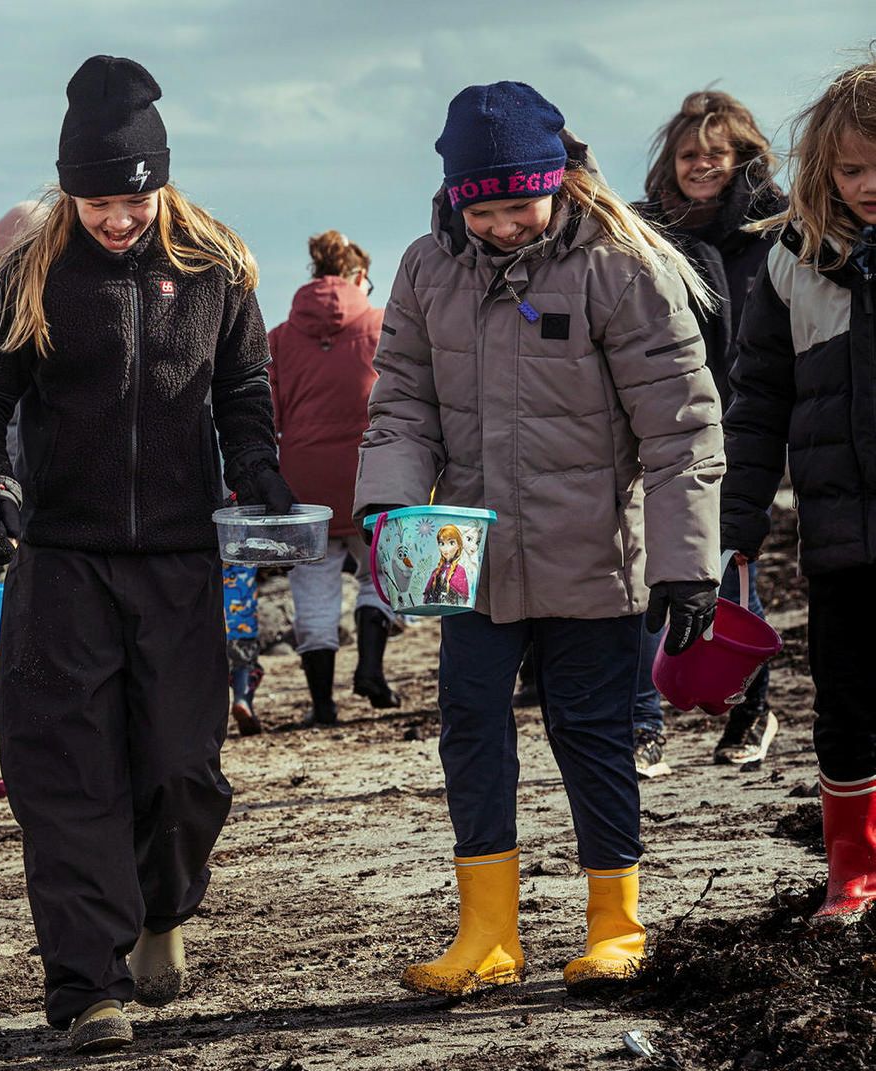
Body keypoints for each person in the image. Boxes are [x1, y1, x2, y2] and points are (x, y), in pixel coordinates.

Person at [354, 82, 723, 997]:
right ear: (455, 198)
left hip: (595, 555)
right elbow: (400, 405)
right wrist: (387, 511)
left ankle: (617, 924)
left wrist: (686, 564)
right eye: (486, 209)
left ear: (555, 182)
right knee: (470, 728)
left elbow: (680, 426)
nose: (506, 225)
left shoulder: (620, 266)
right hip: (470, 561)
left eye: (521, 204)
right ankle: (486, 933)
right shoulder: (424, 269)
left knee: (593, 733)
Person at [0, 55, 287, 1053]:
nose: (116, 219)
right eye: (96, 200)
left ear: (161, 182)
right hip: (62, 561)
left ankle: (159, 908)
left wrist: (261, 472)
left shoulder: (217, 268)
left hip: (182, 560)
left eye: (131, 199)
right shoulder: (30, 270)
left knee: (183, 769)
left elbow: (242, 395)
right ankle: (84, 986)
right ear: (69, 189)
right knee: (69, 779)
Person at [720, 60, 876, 926]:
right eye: (850, 170)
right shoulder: (790, 261)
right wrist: (734, 526)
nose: (867, 185)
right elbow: (757, 405)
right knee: (845, 700)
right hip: (838, 532)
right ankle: (852, 874)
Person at [630, 90, 790, 777]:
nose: (701, 166)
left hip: (741, 423)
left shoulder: (778, 231)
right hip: (657, 423)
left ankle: (752, 709)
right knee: (643, 573)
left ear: (742, 159)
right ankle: (643, 723)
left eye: (714, 155)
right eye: (689, 155)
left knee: (730, 571)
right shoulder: (645, 234)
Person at [267, 229, 400, 724]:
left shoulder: (279, 337)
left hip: (305, 482)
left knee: (313, 587)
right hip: (373, 475)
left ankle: (322, 705)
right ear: (360, 275)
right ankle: (370, 668)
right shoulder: (385, 326)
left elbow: (269, 415)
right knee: (381, 573)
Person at [224, 564, 265, 735]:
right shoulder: (245, 548)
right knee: (245, 665)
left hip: (211, 623)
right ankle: (242, 700)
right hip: (243, 625)